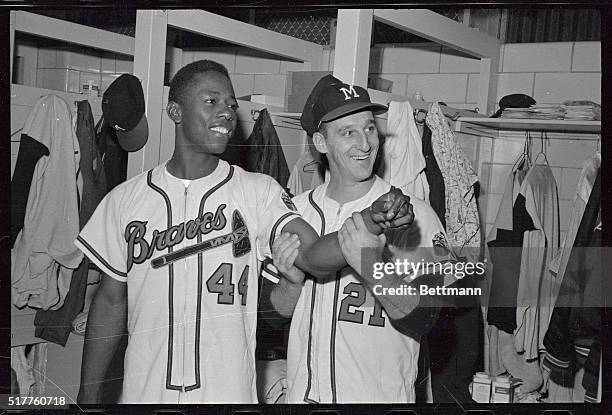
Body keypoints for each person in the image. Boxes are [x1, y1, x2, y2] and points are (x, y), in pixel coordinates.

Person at [74, 60, 413, 404]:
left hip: (229, 391)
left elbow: (312, 257)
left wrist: (370, 219)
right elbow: (110, 301)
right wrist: (87, 395)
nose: (227, 112)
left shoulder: (257, 191)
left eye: (231, 104)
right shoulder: (125, 200)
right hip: (144, 392)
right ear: (175, 110)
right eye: (212, 101)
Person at [261, 75, 456, 403]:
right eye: (348, 132)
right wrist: (291, 283)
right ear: (321, 143)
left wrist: (373, 266)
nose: (365, 144)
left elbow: (433, 319)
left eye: (369, 128)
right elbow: (268, 320)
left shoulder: (415, 213)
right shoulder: (294, 213)